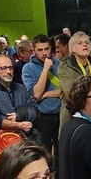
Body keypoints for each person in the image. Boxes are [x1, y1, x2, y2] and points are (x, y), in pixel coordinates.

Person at [22, 34, 62, 165]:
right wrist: (45, 70)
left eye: (46, 49)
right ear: (34, 50)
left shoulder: (59, 64)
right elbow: (37, 94)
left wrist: (46, 94)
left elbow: (66, 90)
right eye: (40, 50)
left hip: (61, 113)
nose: (44, 53)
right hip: (42, 116)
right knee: (44, 152)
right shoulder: (28, 68)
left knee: (61, 151)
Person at [0, 54, 40, 143]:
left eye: (10, 68)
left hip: (28, 138)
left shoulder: (21, 88)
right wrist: (19, 125)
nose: (8, 71)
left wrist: (19, 115)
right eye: (3, 68)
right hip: (5, 141)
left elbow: (35, 111)